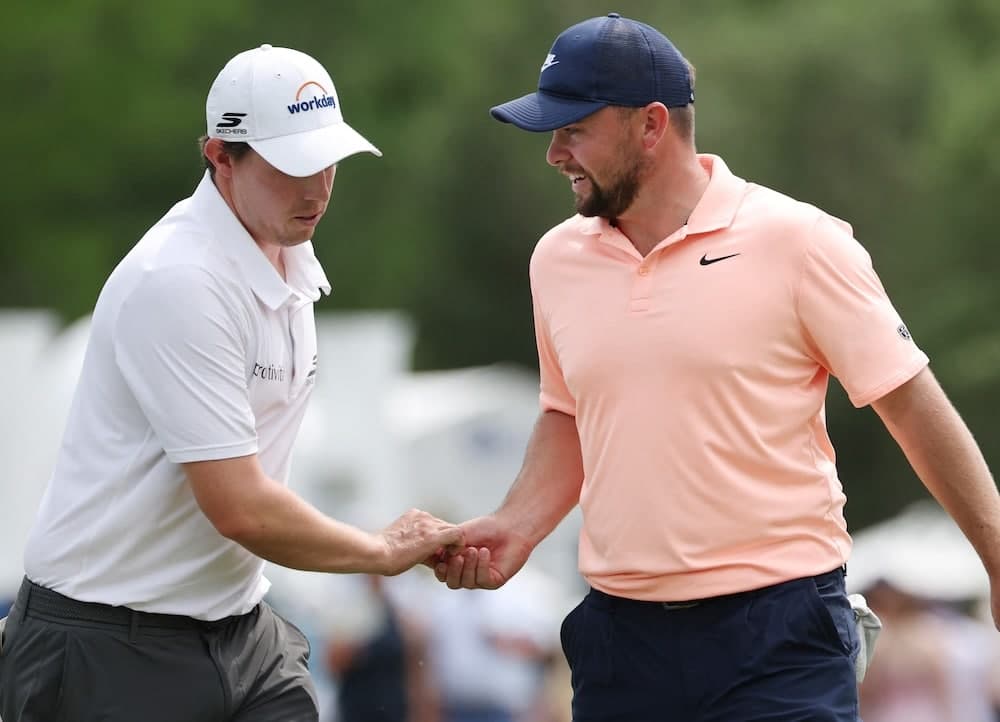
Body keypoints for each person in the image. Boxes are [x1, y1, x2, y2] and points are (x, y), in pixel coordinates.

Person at [432, 13, 1000, 722]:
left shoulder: (798, 242)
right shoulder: (557, 260)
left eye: (573, 129)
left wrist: (995, 550)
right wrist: (518, 524)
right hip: (622, 637)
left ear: (651, 125)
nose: (555, 154)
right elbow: (570, 413)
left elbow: (911, 406)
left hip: (780, 631)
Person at [0, 44, 462, 722]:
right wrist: (381, 551)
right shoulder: (179, 278)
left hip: (238, 630)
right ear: (220, 156)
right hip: (102, 645)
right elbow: (240, 508)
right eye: (292, 165)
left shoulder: (290, 258)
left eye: (328, 159)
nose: (318, 186)